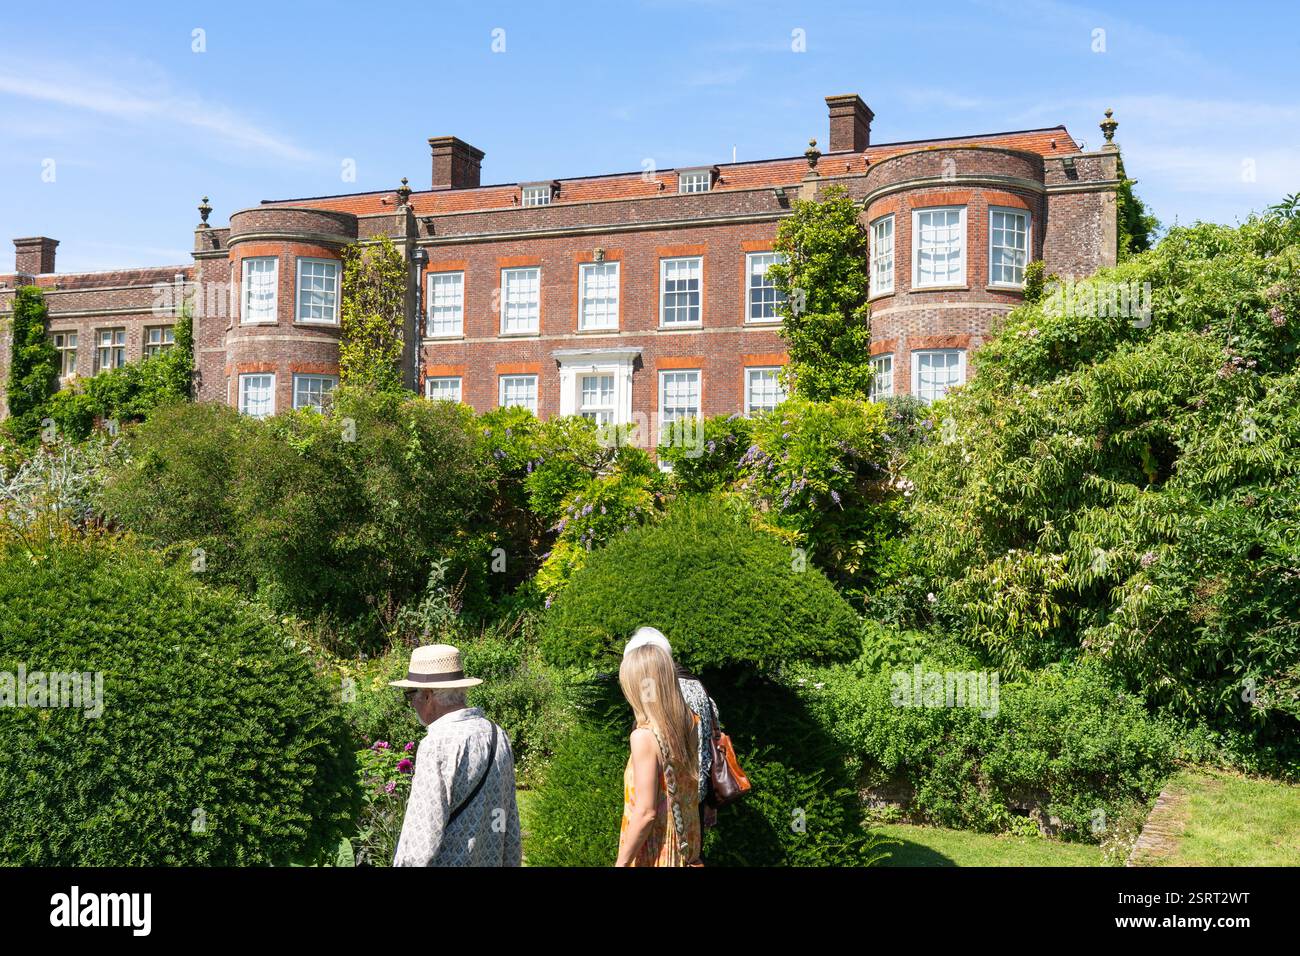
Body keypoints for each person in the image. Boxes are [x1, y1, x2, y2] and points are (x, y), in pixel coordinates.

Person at [390, 643, 521, 867]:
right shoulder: (497, 735)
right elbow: (505, 816)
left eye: (410, 695)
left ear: (429, 695)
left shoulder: (436, 744)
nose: (411, 703)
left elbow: (422, 835)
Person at [614, 639, 702, 867]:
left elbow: (645, 813)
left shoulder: (643, 737)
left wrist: (621, 863)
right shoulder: (690, 724)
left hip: (656, 854)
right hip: (686, 851)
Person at [625, 626, 722, 829]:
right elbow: (712, 733)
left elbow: (654, 739)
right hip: (696, 793)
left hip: (670, 802)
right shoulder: (696, 685)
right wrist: (711, 800)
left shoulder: (660, 690)